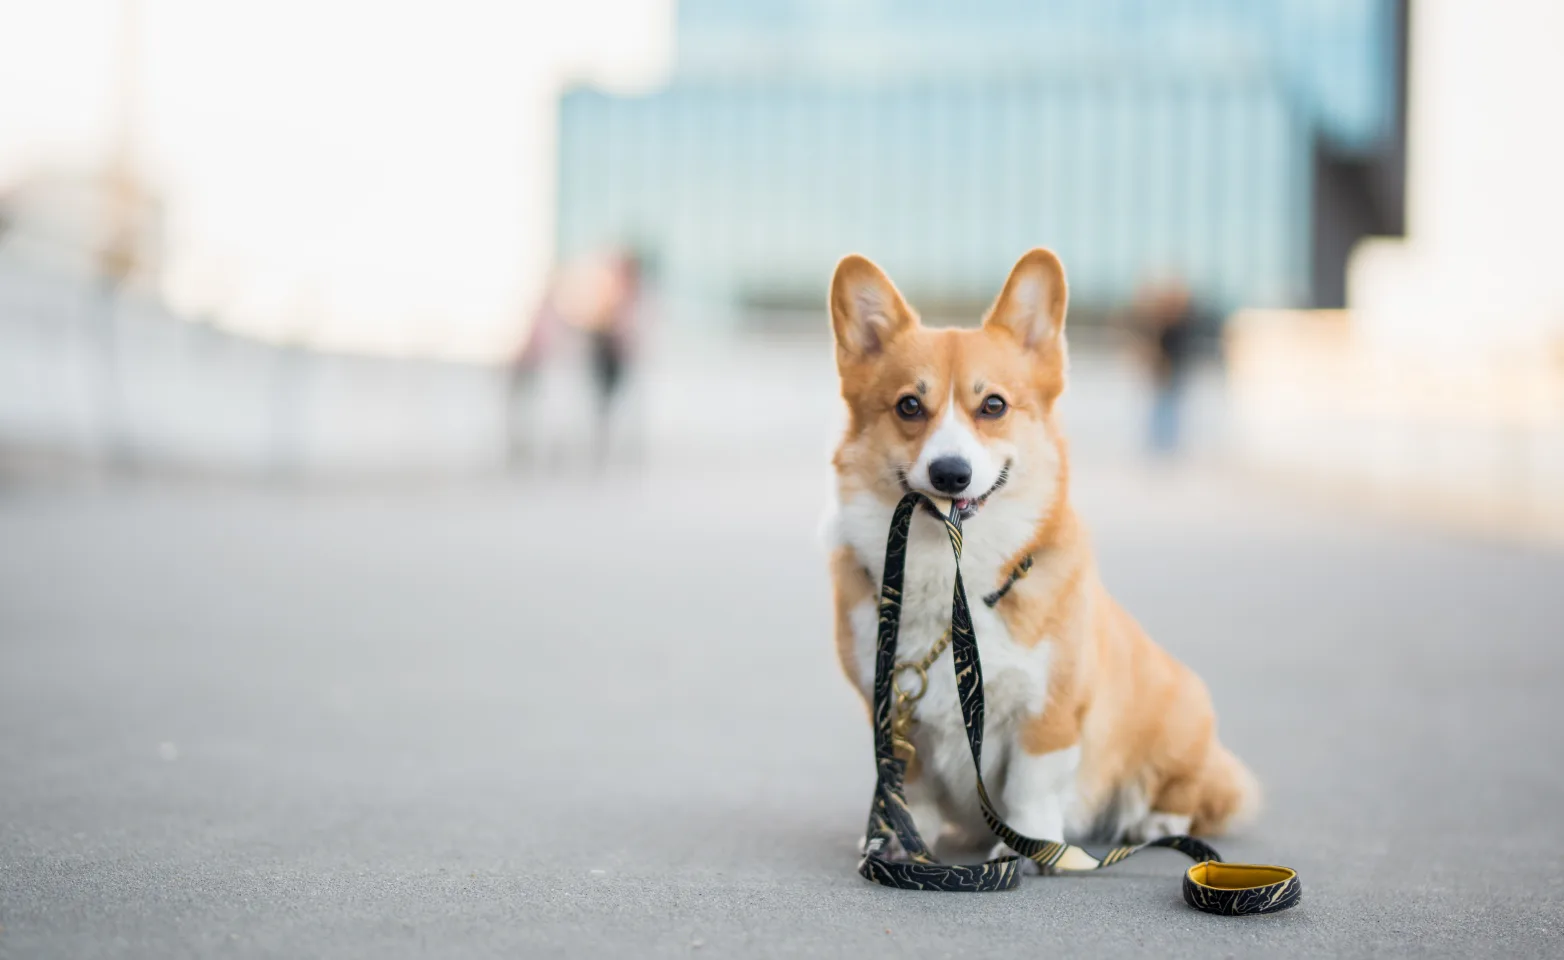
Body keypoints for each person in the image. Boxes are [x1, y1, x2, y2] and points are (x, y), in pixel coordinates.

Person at [1132, 279, 1196, 454]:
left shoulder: (1179, 324)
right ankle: (1160, 443)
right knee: (1161, 408)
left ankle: (1167, 443)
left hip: (1172, 371)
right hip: (1163, 372)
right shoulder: (1164, 324)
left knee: (1169, 408)